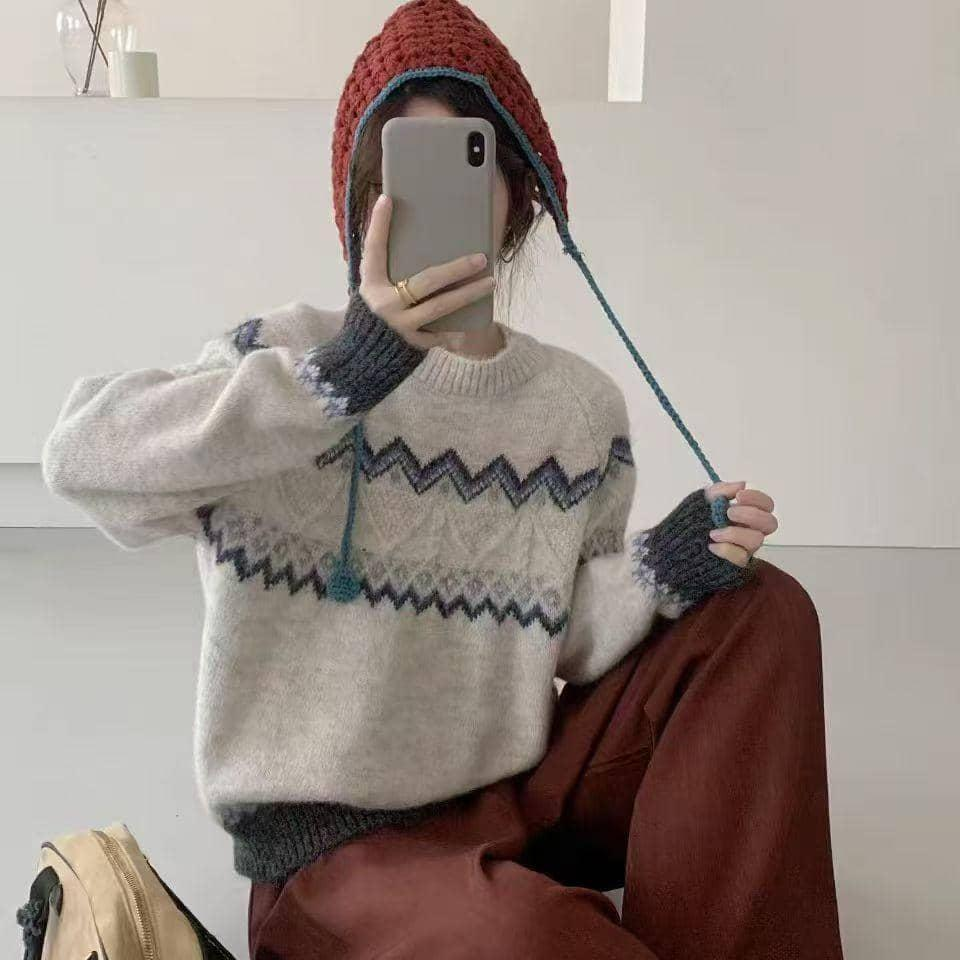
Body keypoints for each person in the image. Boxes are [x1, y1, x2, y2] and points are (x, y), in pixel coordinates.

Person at [40, 1, 844, 957]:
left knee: (764, 609)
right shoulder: (290, 363)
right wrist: (345, 378)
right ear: (360, 200)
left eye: (467, 165)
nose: (427, 203)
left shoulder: (580, 408)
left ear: (519, 196)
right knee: (536, 942)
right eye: (398, 172)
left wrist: (656, 569)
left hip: (517, 797)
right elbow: (80, 458)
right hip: (336, 854)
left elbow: (562, 635)